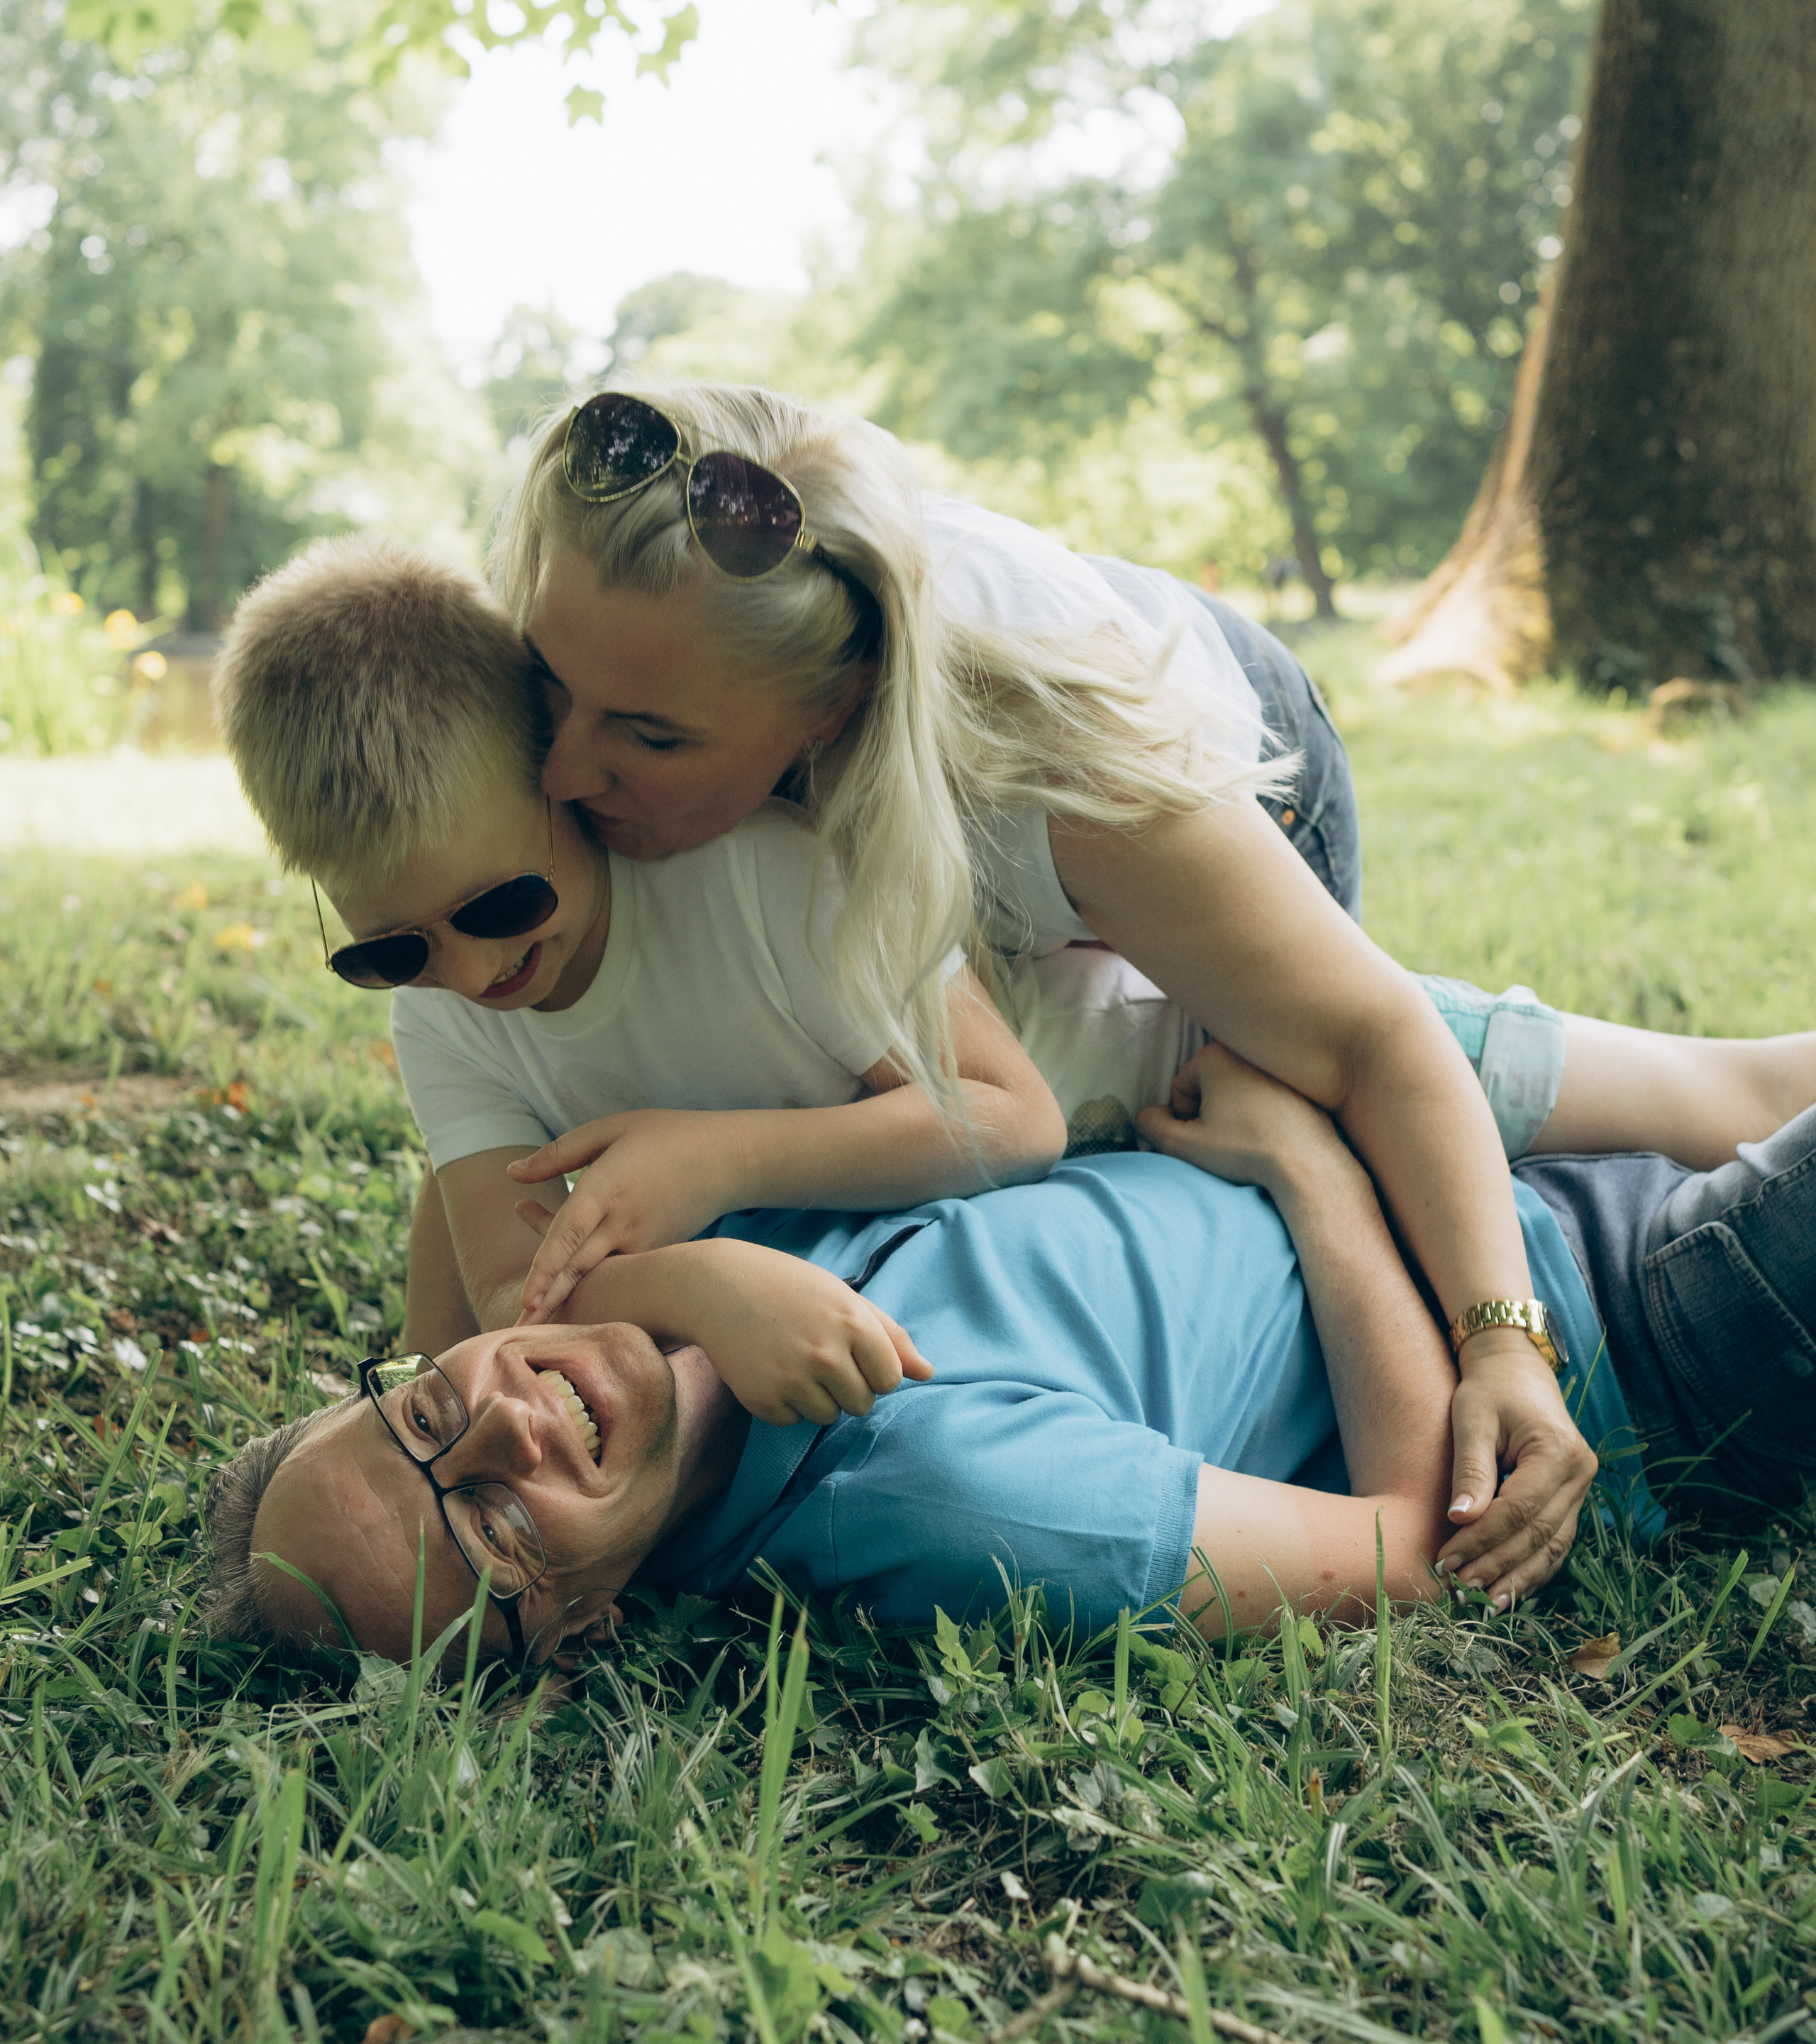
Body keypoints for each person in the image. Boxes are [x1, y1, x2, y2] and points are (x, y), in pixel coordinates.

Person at [487, 378, 1816, 1605]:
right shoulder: (642, 644)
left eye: (649, 738)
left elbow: (1370, 1042)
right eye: (551, 683)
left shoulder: (1042, 768)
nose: (560, 771)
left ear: (827, 717)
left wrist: (1502, 1343)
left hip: (1215, 765)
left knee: (1309, 1085)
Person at [202, 1037, 1816, 1674]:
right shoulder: (946, 1497)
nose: (501, 1427)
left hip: (1449, 1141)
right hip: (1630, 1318)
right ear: (575, 1624)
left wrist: (691, 1280)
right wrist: (1309, 1177)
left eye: (429, 1410)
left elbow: (459, 1175)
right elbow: (1413, 1541)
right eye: (485, 1522)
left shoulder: (654, 1242)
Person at [212, 536, 1065, 1361]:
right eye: (392, 953)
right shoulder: (440, 1021)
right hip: (795, 1307)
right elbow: (512, 1293)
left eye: (503, 904)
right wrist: (691, 1284)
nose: (470, 976)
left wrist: (719, 1160)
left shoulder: (765, 881)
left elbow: (1012, 1118)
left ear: (561, 775)